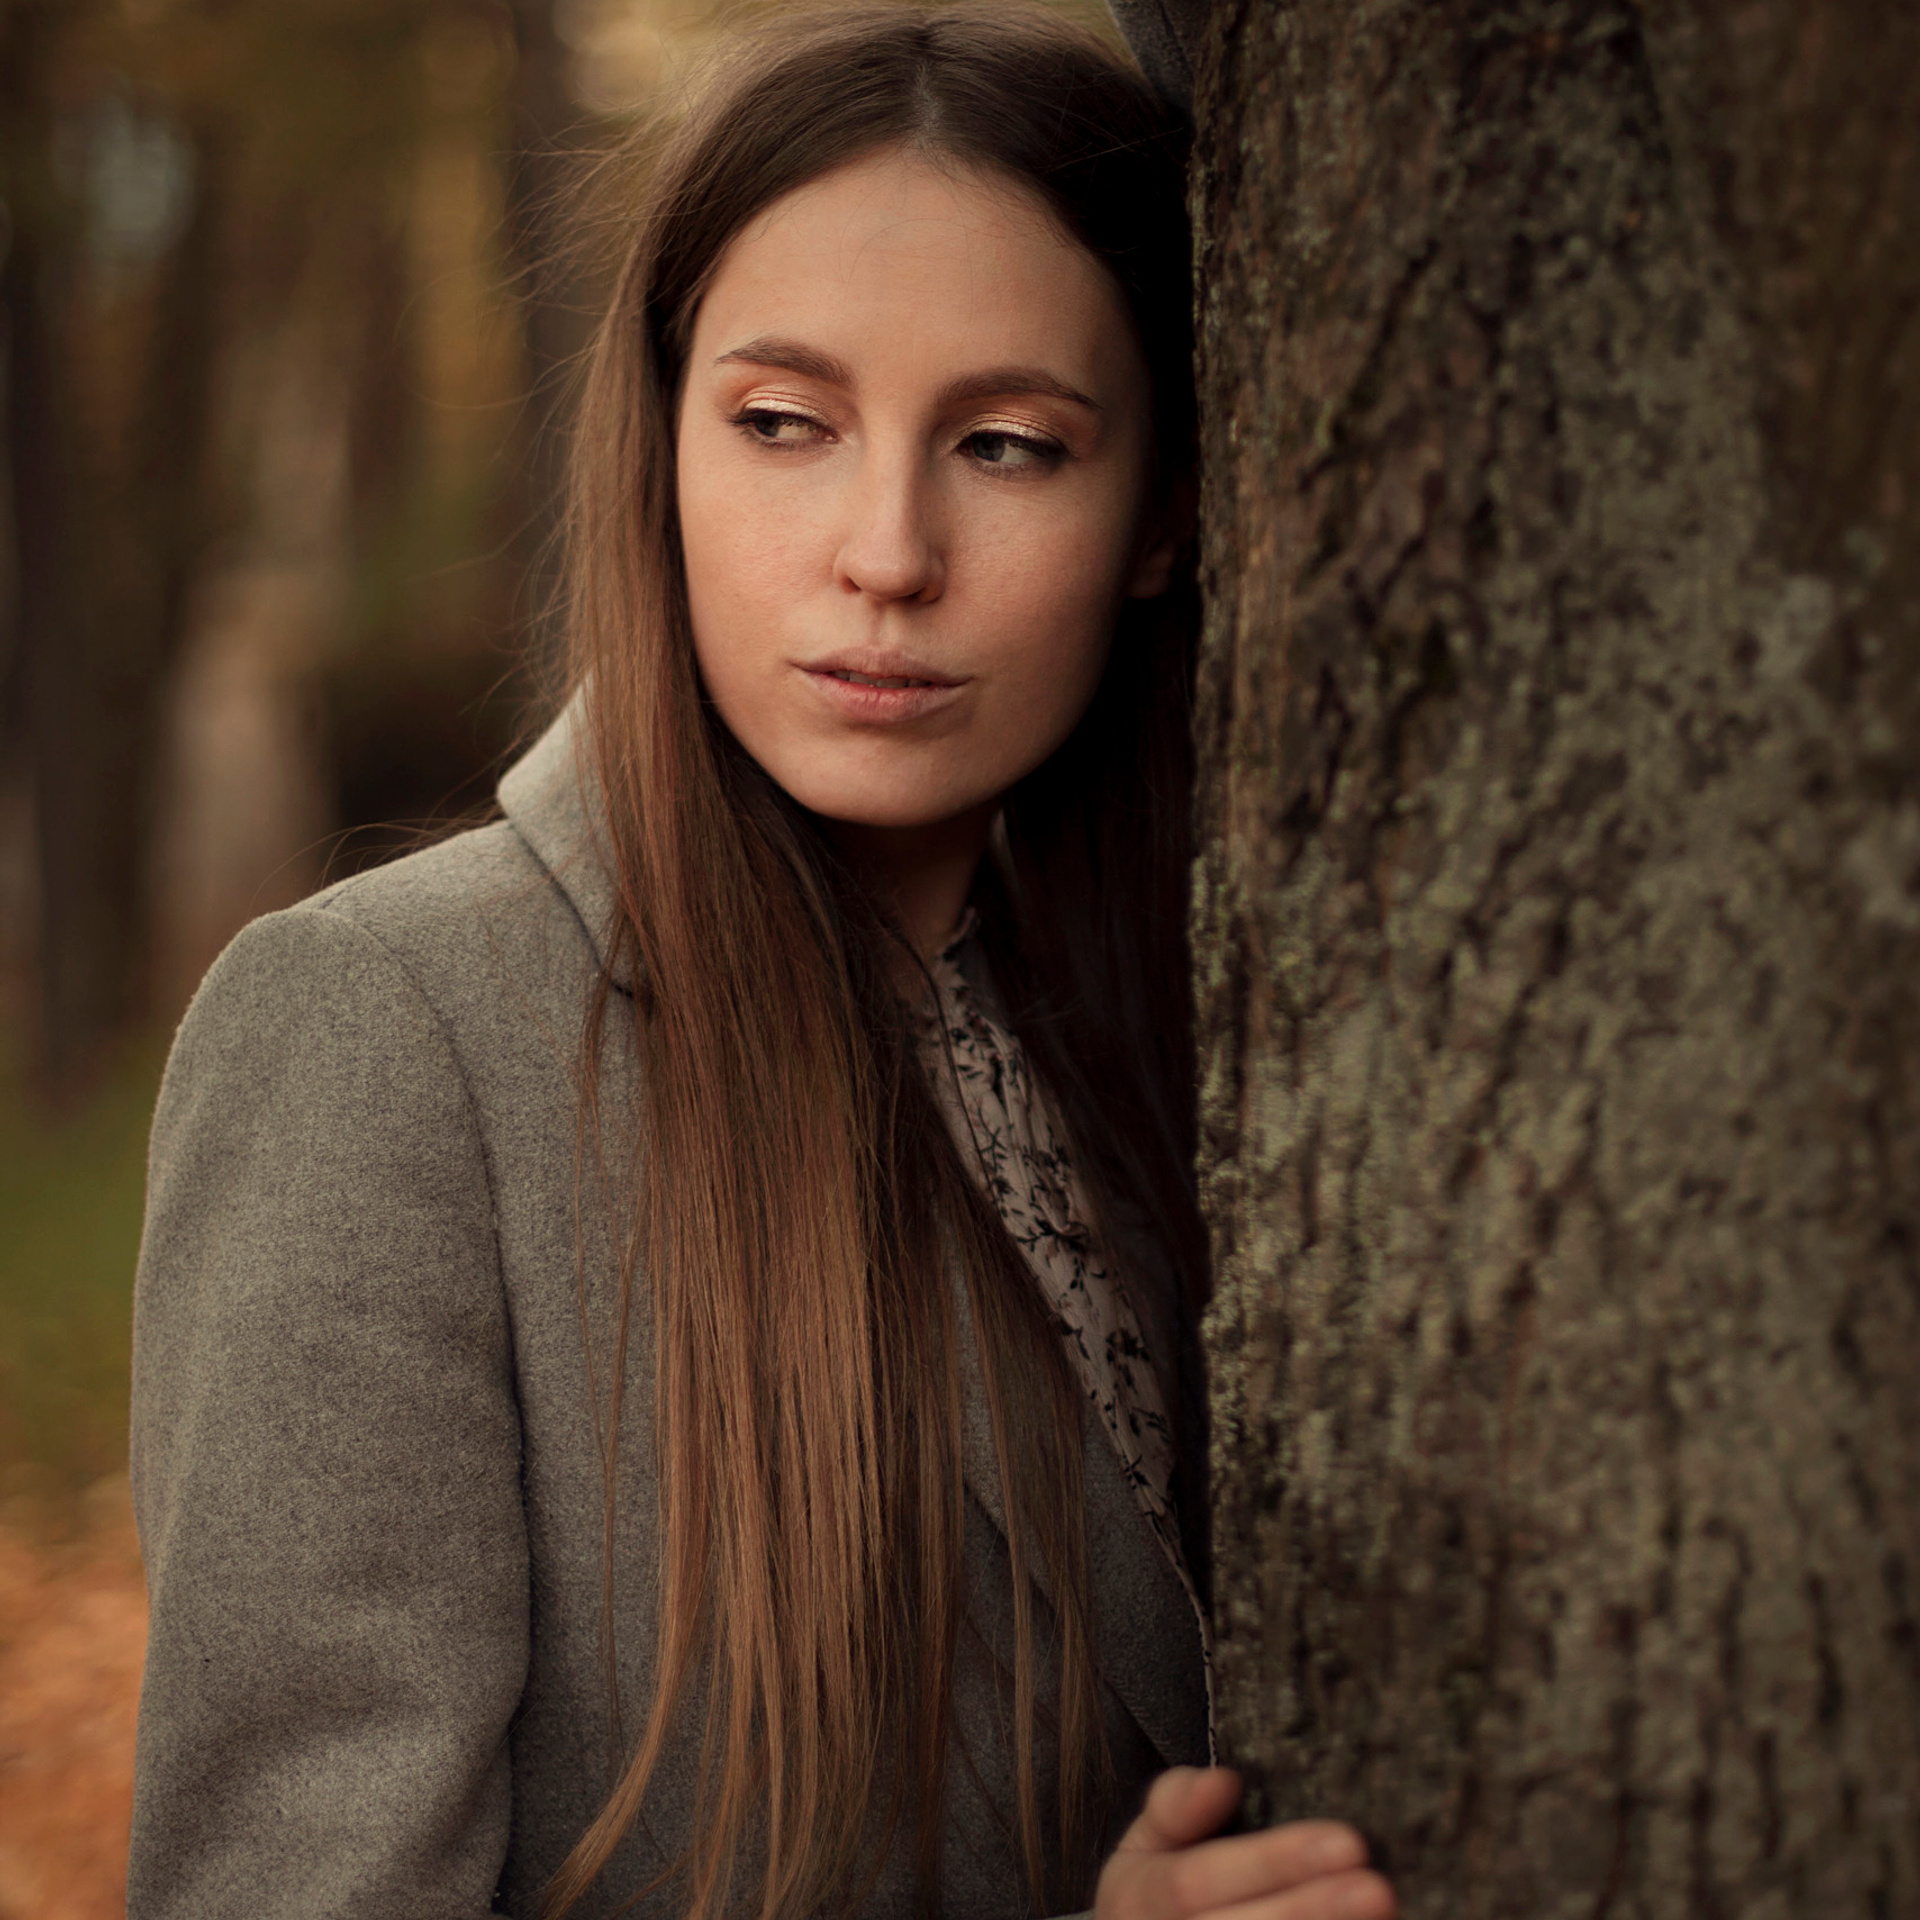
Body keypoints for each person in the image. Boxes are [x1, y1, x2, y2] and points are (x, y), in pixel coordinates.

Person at [127, 8, 1399, 1918]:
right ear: (660, 445)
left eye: (1008, 443)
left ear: (1164, 520)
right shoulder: (385, 1037)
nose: (886, 551)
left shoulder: (1209, 1041)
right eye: (784, 423)